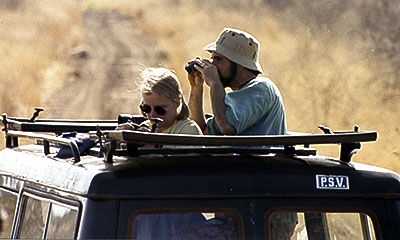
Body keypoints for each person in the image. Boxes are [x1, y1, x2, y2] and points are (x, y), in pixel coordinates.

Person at [187, 28, 286, 136]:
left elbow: (227, 128)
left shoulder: (262, 87)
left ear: (240, 65)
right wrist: (196, 87)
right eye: (212, 59)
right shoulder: (235, 100)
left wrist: (215, 83)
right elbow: (199, 130)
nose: (212, 65)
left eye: (218, 60)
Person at [117, 67, 202, 136]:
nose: (152, 115)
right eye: (146, 108)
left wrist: (150, 149)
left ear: (177, 103)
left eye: (160, 109)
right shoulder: (145, 127)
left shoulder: (188, 130)